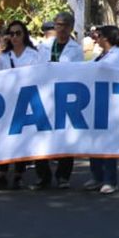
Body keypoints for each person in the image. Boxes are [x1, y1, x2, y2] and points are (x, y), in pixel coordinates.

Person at [0, 20, 42, 189]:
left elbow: (40, 74)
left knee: (21, 138)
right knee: (4, 138)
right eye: (11, 34)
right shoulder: (4, 56)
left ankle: (19, 174)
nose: (15, 37)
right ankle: (2, 173)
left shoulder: (34, 55)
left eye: (18, 33)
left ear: (24, 35)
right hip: (7, 100)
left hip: (26, 100)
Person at [33, 11, 84, 190]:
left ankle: (63, 176)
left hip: (65, 96)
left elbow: (77, 72)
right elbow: (37, 67)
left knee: (65, 136)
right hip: (45, 95)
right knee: (41, 136)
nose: (61, 29)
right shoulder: (45, 46)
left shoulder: (75, 49)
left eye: (64, 25)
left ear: (71, 28)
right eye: (58, 25)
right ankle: (43, 176)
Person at [86, 25, 119, 194]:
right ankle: (97, 176)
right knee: (94, 141)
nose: (96, 38)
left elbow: (114, 72)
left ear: (107, 38)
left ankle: (110, 180)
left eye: (99, 35)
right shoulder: (100, 55)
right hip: (97, 101)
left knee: (108, 142)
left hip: (112, 102)